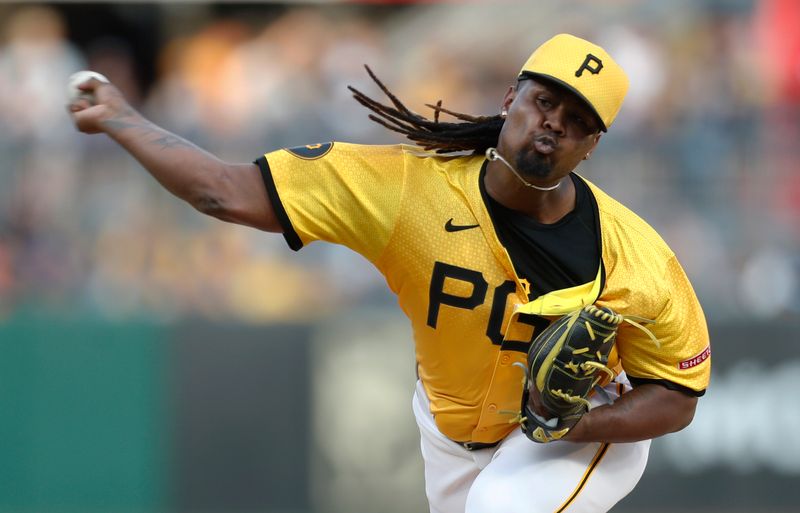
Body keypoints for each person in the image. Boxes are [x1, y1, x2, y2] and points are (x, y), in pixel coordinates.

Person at [70, 33, 711, 513]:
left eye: (577, 124)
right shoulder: (405, 192)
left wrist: (579, 421)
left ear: (591, 147)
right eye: (546, 102)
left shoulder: (633, 255)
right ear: (511, 97)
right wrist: (123, 118)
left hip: (581, 428)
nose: (553, 126)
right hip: (452, 434)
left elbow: (678, 396)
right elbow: (222, 192)